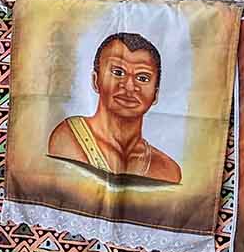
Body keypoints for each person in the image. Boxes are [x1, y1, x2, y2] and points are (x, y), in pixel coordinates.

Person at [47, 32, 181, 184]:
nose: (130, 87)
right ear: (95, 81)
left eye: (142, 78)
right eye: (118, 73)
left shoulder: (168, 170)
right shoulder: (68, 137)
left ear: (155, 94)